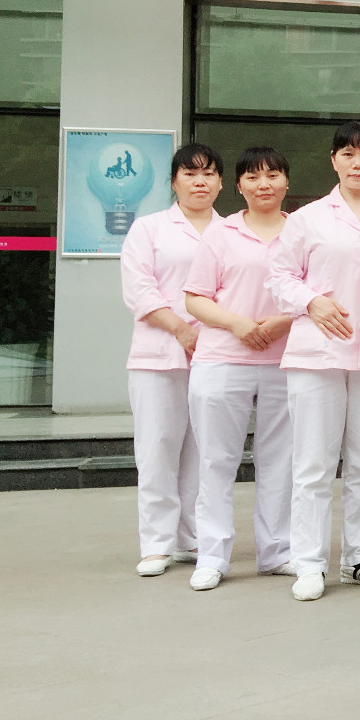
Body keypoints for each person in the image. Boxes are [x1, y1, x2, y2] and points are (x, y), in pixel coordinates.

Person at [267, 121, 360, 601]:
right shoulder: (307, 218)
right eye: (348, 154)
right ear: (333, 160)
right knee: (314, 464)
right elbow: (279, 277)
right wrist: (311, 302)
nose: (357, 163)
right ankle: (309, 563)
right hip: (317, 353)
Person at [182, 146, 295, 590]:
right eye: (252, 177)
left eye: (272, 175)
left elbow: (318, 291)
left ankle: (277, 552)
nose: (263, 184)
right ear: (239, 185)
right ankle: (212, 555)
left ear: (286, 181)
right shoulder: (221, 233)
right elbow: (195, 298)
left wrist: (282, 322)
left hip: (286, 360)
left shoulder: (301, 231)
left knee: (281, 461)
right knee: (216, 460)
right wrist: (237, 324)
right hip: (222, 360)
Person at [120, 143, 225, 577]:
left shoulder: (231, 230)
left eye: (208, 174)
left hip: (215, 353)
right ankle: (157, 543)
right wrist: (180, 329)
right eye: (190, 174)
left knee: (204, 450)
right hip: (158, 354)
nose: (200, 182)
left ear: (221, 183)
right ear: (174, 182)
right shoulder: (149, 229)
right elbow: (139, 289)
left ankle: (194, 538)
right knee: (158, 447)